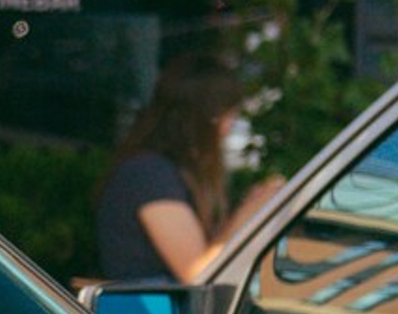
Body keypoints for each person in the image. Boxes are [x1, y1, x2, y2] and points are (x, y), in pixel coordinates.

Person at [94, 55, 280, 282]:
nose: (228, 129)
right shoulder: (149, 175)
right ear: (205, 118)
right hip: (149, 313)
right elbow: (199, 274)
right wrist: (250, 214)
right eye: (227, 117)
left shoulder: (169, 173)